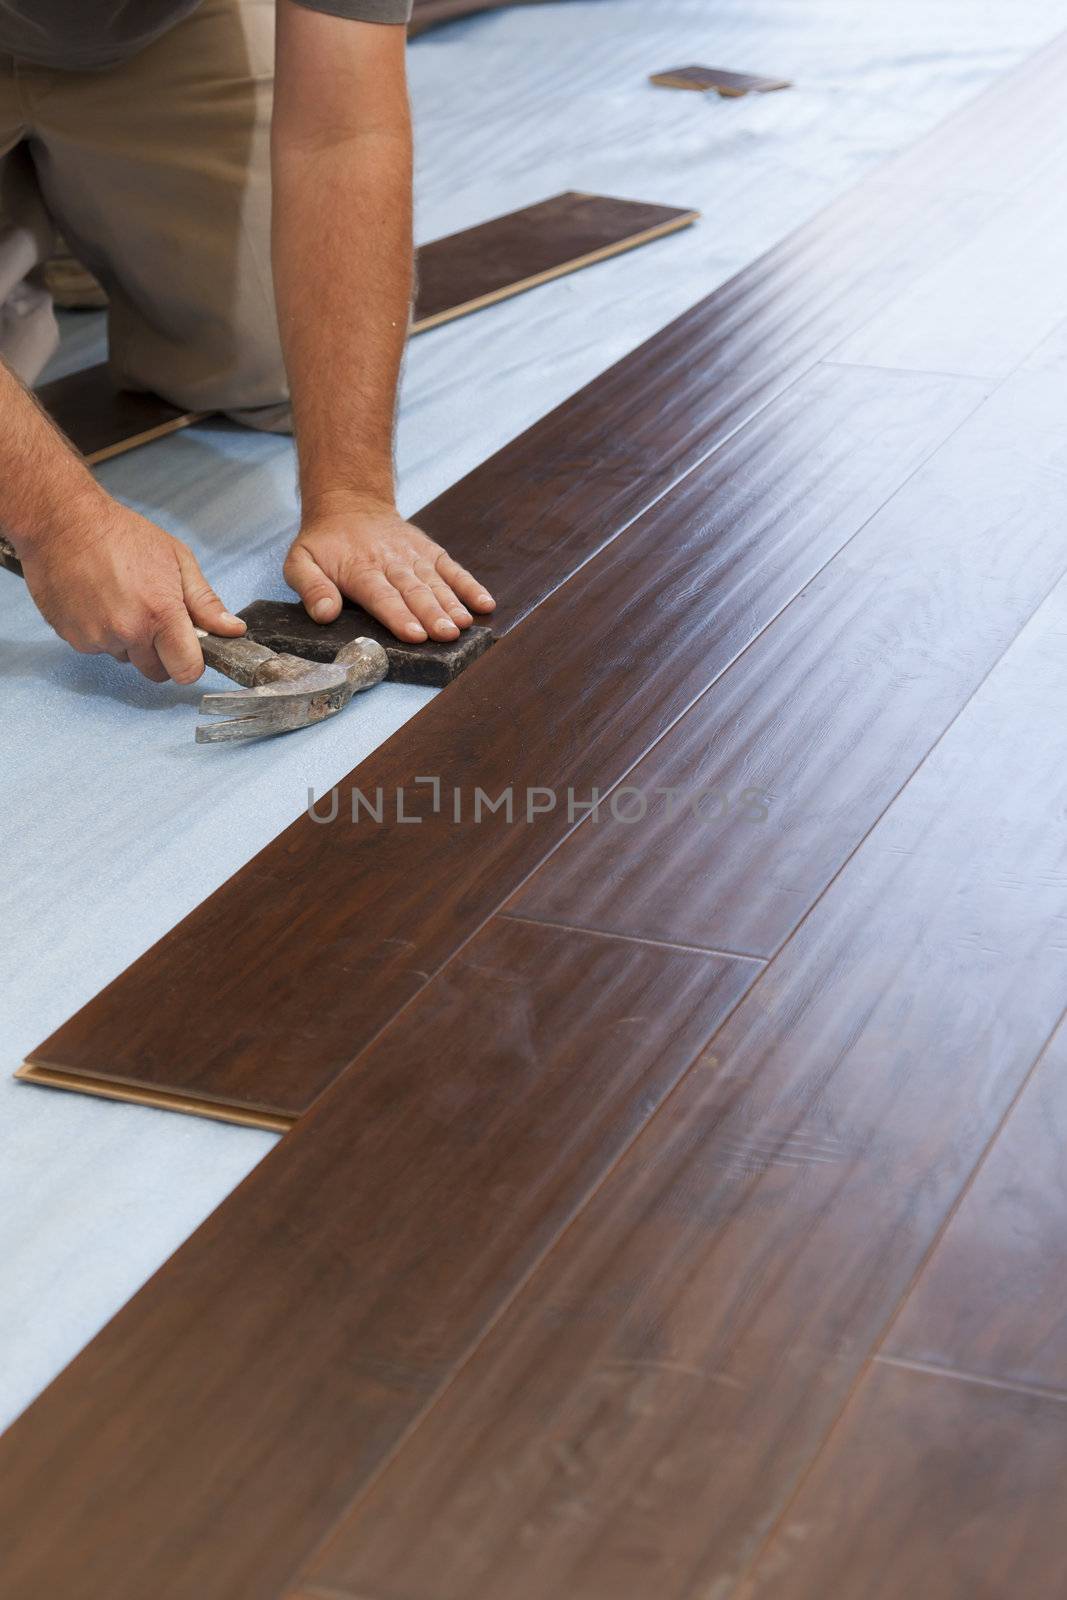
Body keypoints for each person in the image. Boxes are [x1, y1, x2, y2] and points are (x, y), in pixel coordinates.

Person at [0, 0, 495, 685]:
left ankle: (73, 207)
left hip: (153, 34)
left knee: (279, 367)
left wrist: (353, 498)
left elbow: (342, 132)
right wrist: (58, 523)